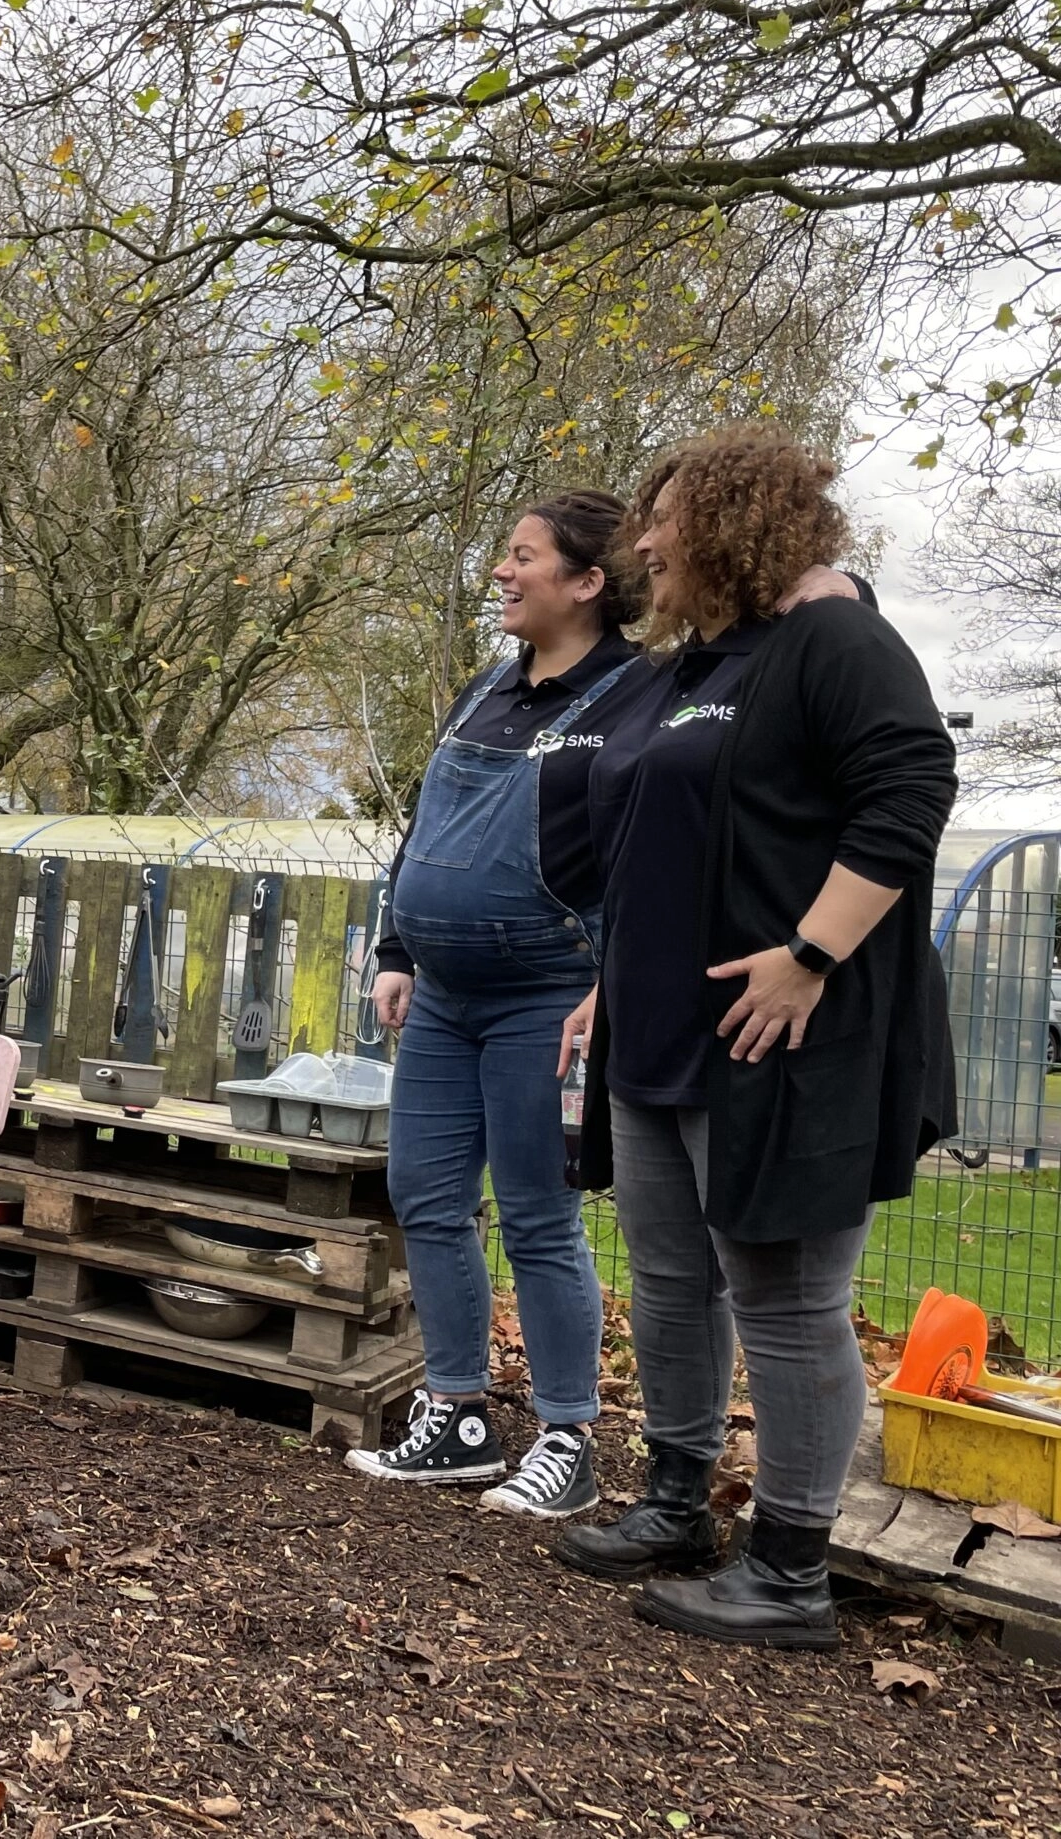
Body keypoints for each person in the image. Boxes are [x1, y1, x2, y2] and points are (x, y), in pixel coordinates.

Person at [554, 427, 958, 1651]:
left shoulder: (831, 639)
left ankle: (786, 1565)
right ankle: (676, 1500)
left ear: (729, 520)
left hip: (781, 1031)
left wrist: (811, 954)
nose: (643, 542)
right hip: (660, 1030)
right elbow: (630, 843)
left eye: (662, 518)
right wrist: (603, 982)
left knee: (785, 1300)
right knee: (673, 1281)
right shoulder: (685, 669)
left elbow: (909, 789)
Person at [351, 493, 640, 1516]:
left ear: (587, 580)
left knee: (536, 1216)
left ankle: (566, 1435)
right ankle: (458, 1411)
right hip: (442, 994)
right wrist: (396, 944)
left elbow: (649, 856)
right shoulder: (486, 685)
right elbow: (427, 821)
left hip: (547, 996)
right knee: (425, 1195)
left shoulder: (630, 696)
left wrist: (614, 984)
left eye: (522, 557)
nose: (502, 573)